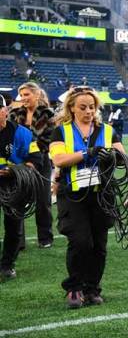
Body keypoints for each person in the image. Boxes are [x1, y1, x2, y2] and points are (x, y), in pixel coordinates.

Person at [48, 87, 126, 308]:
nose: (89, 111)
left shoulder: (108, 130)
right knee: (81, 241)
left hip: (102, 195)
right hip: (73, 195)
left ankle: (92, 288)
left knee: (99, 245)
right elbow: (60, 160)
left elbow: (123, 157)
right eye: (83, 107)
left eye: (92, 107)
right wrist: (87, 153)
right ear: (71, 108)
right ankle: (74, 287)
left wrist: (110, 156)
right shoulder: (60, 131)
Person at [0, 94, 44, 279]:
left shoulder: (24, 134)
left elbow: (35, 161)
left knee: (13, 226)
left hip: (14, 185)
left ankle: (7, 265)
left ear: (5, 110)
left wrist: (15, 171)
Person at [14, 82, 55, 248]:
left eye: (27, 95)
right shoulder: (15, 114)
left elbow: (48, 140)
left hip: (42, 161)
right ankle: (18, 240)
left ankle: (45, 238)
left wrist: (33, 156)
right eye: (22, 95)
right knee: (17, 201)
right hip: (18, 162)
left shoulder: (48, 114)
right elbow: (10, 137)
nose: (23, 98)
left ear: (37, 95)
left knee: (43, 201)